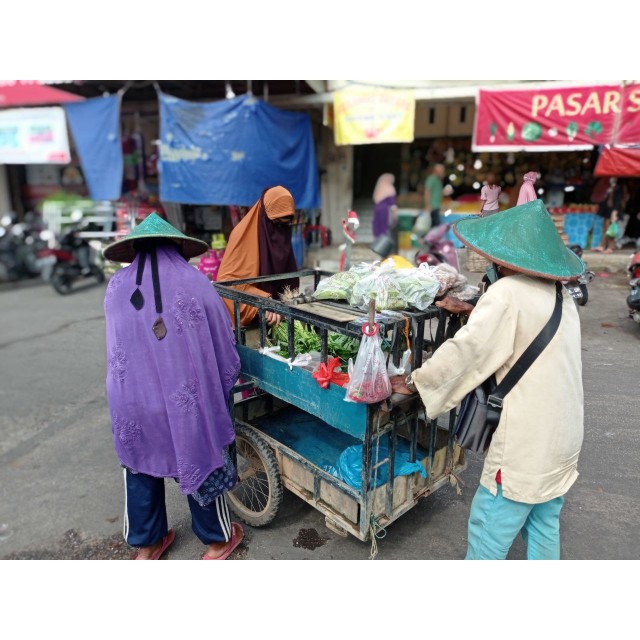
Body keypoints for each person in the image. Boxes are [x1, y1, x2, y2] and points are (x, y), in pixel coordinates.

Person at [410, 199, 585, 560]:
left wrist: (415, 382)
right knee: (543, 527)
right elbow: (523, 328)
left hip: (527, 445)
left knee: (488, 534)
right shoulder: (560, 294)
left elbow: (467, 354)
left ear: (508, 257)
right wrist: (475, 309)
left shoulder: (507, 294)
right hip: (562, 440)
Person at [102, 213, 244, 560]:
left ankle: (147, 545)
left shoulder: (116, 287)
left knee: (139, 462)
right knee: (200, 453)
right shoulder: (195, 282)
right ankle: (216, 541)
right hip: (185, 401)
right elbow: (224, 347)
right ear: (178, 246)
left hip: (132, 399)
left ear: (134, 247)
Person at [217, 185, 299, 327]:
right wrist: (264, 302)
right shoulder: (241, 236)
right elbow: (228, 283)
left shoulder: (282, 235)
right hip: (251, 322)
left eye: (286, 224)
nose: (280, 231)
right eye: (275, 223)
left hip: (280, 318)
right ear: (263, 216)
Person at [594, 178, 625, 252]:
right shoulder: (608, 188)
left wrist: (614, 213)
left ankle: (610, 247)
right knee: (605, 229)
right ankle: (602, 245)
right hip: (607, 211)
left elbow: (617, 202)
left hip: (613, 211)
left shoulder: (618, 189)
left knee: (611, 230)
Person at [372, 173, 398, 241]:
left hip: (377, 209)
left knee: (377, 225)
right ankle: (383, 243)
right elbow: (392, 204)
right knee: (384, 226)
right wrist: (395, 215)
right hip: (385, 210)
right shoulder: (389, 188)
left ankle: (377, 242)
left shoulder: (379, 187)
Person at [424, 163, 445, 228]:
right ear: (436, 170)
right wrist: (427, 205)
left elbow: (436, 192)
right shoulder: (432, 179)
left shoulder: (438, 180)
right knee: (434, 225)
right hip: (432, 206)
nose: (443, 172)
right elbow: (427, 192)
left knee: (435, 225)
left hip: (436, 205)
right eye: (442, 170)